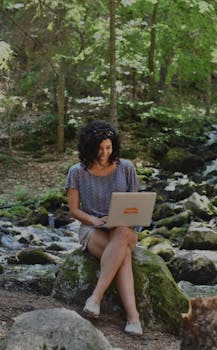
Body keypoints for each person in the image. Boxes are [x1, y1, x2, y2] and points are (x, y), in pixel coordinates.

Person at [66, 119, 143, 336]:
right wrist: (94, 220)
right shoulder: (77, 172)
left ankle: (95, 298)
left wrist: (118, 219)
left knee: (122, 236)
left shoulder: (126, 168)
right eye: (99, 148)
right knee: (123, 255)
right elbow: (74, 210)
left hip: (122, 228)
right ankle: (133, 317)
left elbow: (135, 207)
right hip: (92, 228)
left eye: (108, 148)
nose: (104, 153)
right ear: (89, 147)